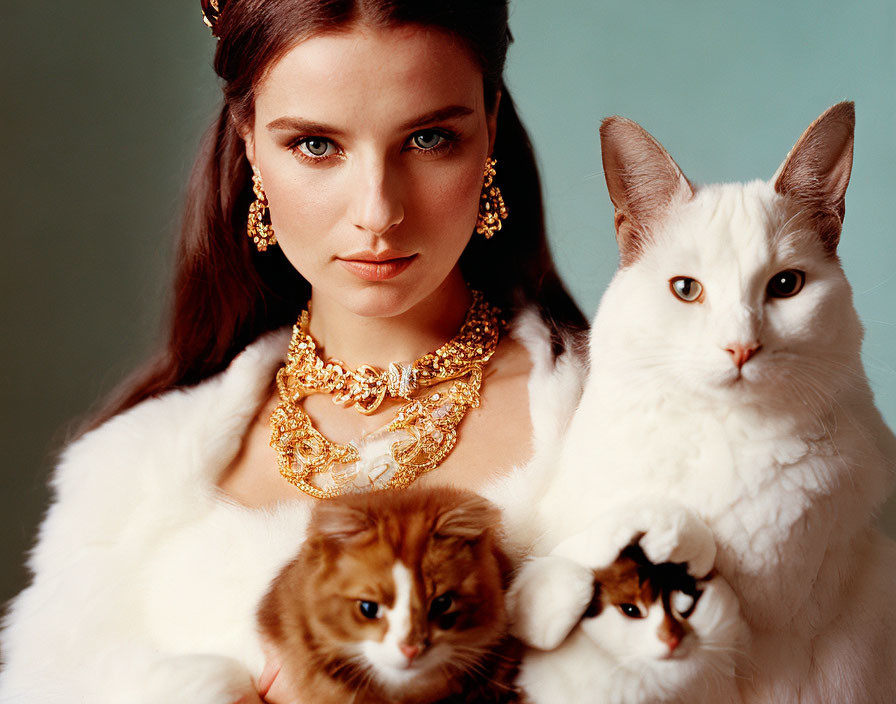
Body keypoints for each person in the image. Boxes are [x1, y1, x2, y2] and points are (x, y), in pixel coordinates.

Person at [0, 1, 588, 703]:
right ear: (248, 141)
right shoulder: (126, 485)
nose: (377, 210)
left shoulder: (620, 426)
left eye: (428, 138)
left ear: (489, 128)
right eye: (316, 145)